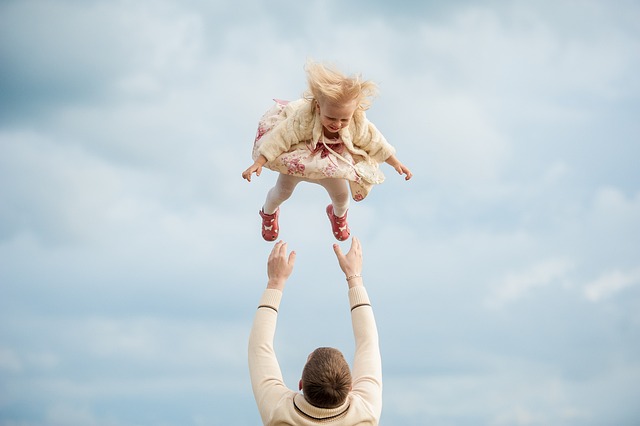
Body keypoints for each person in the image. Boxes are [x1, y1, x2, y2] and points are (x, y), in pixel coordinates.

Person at [242, 61, 413, 242]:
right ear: (318, 107)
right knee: (283, 191)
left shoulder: (356, 123)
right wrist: (258, 163)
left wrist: (395, 162)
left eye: (343, 120)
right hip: (300, 159)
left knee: (342, 196)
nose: (337, 124)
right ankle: (268, 212)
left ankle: (337, 215)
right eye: (331, 118)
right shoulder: (304, 118)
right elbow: (281, 137)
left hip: (331, 163)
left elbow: (375, 141)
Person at [248, 238, 383, 425]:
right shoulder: (365, 413)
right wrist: (354, 276)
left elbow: (259, 347)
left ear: (300, 384)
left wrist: (275, 282)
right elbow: (367, 343)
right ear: (351, 388)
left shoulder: (278, 411)